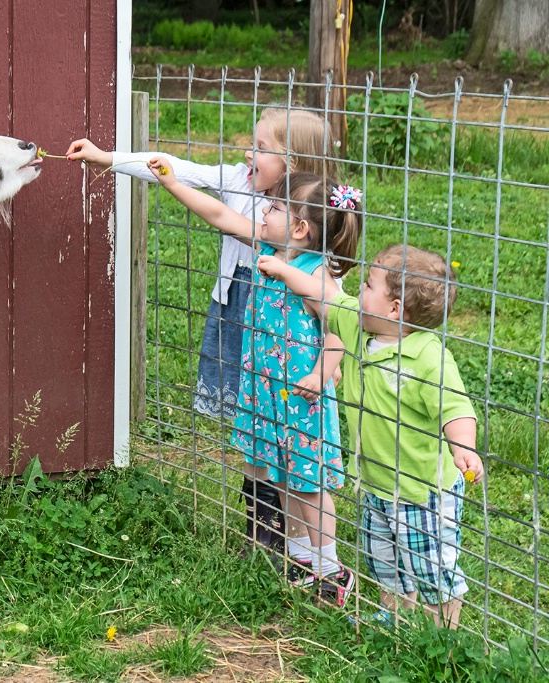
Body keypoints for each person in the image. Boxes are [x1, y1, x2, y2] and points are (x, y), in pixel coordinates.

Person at [66, 109, 340, 556]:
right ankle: (264, 529)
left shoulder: (308, 228)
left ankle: (294, 542)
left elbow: (334, 311)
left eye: (262, 149)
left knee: (286, 436)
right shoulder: (239, 180)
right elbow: (175, 169)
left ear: (292, 165)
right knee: (253, 420)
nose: (248, 153)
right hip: (245, 314)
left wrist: (331, 358)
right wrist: (107, 158)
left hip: (291, 338)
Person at [145, 163, 360, 606]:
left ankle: (332, 569)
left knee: (308, 483)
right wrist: (171, 182)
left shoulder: (315, 272)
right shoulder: (271, 249)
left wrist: (323, 372)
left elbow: (340, 323)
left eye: (275, 207)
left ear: (300, 228)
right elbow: (221, 217)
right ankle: (302, 559)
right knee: (282, 477)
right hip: (266, 392)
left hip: (303, 398)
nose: (264, 210)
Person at [258, 241, 485, 629]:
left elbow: (456, 408)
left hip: (424, 492)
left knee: (433, 569)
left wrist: (463, 447)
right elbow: (322, 294)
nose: (357, 291)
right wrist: (283, 271)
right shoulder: (358, 328)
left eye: (367, 286)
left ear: (394, 309)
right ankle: (395, 620)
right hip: (378, 484)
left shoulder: (428, 357)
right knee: (384, 560)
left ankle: (441, 639)